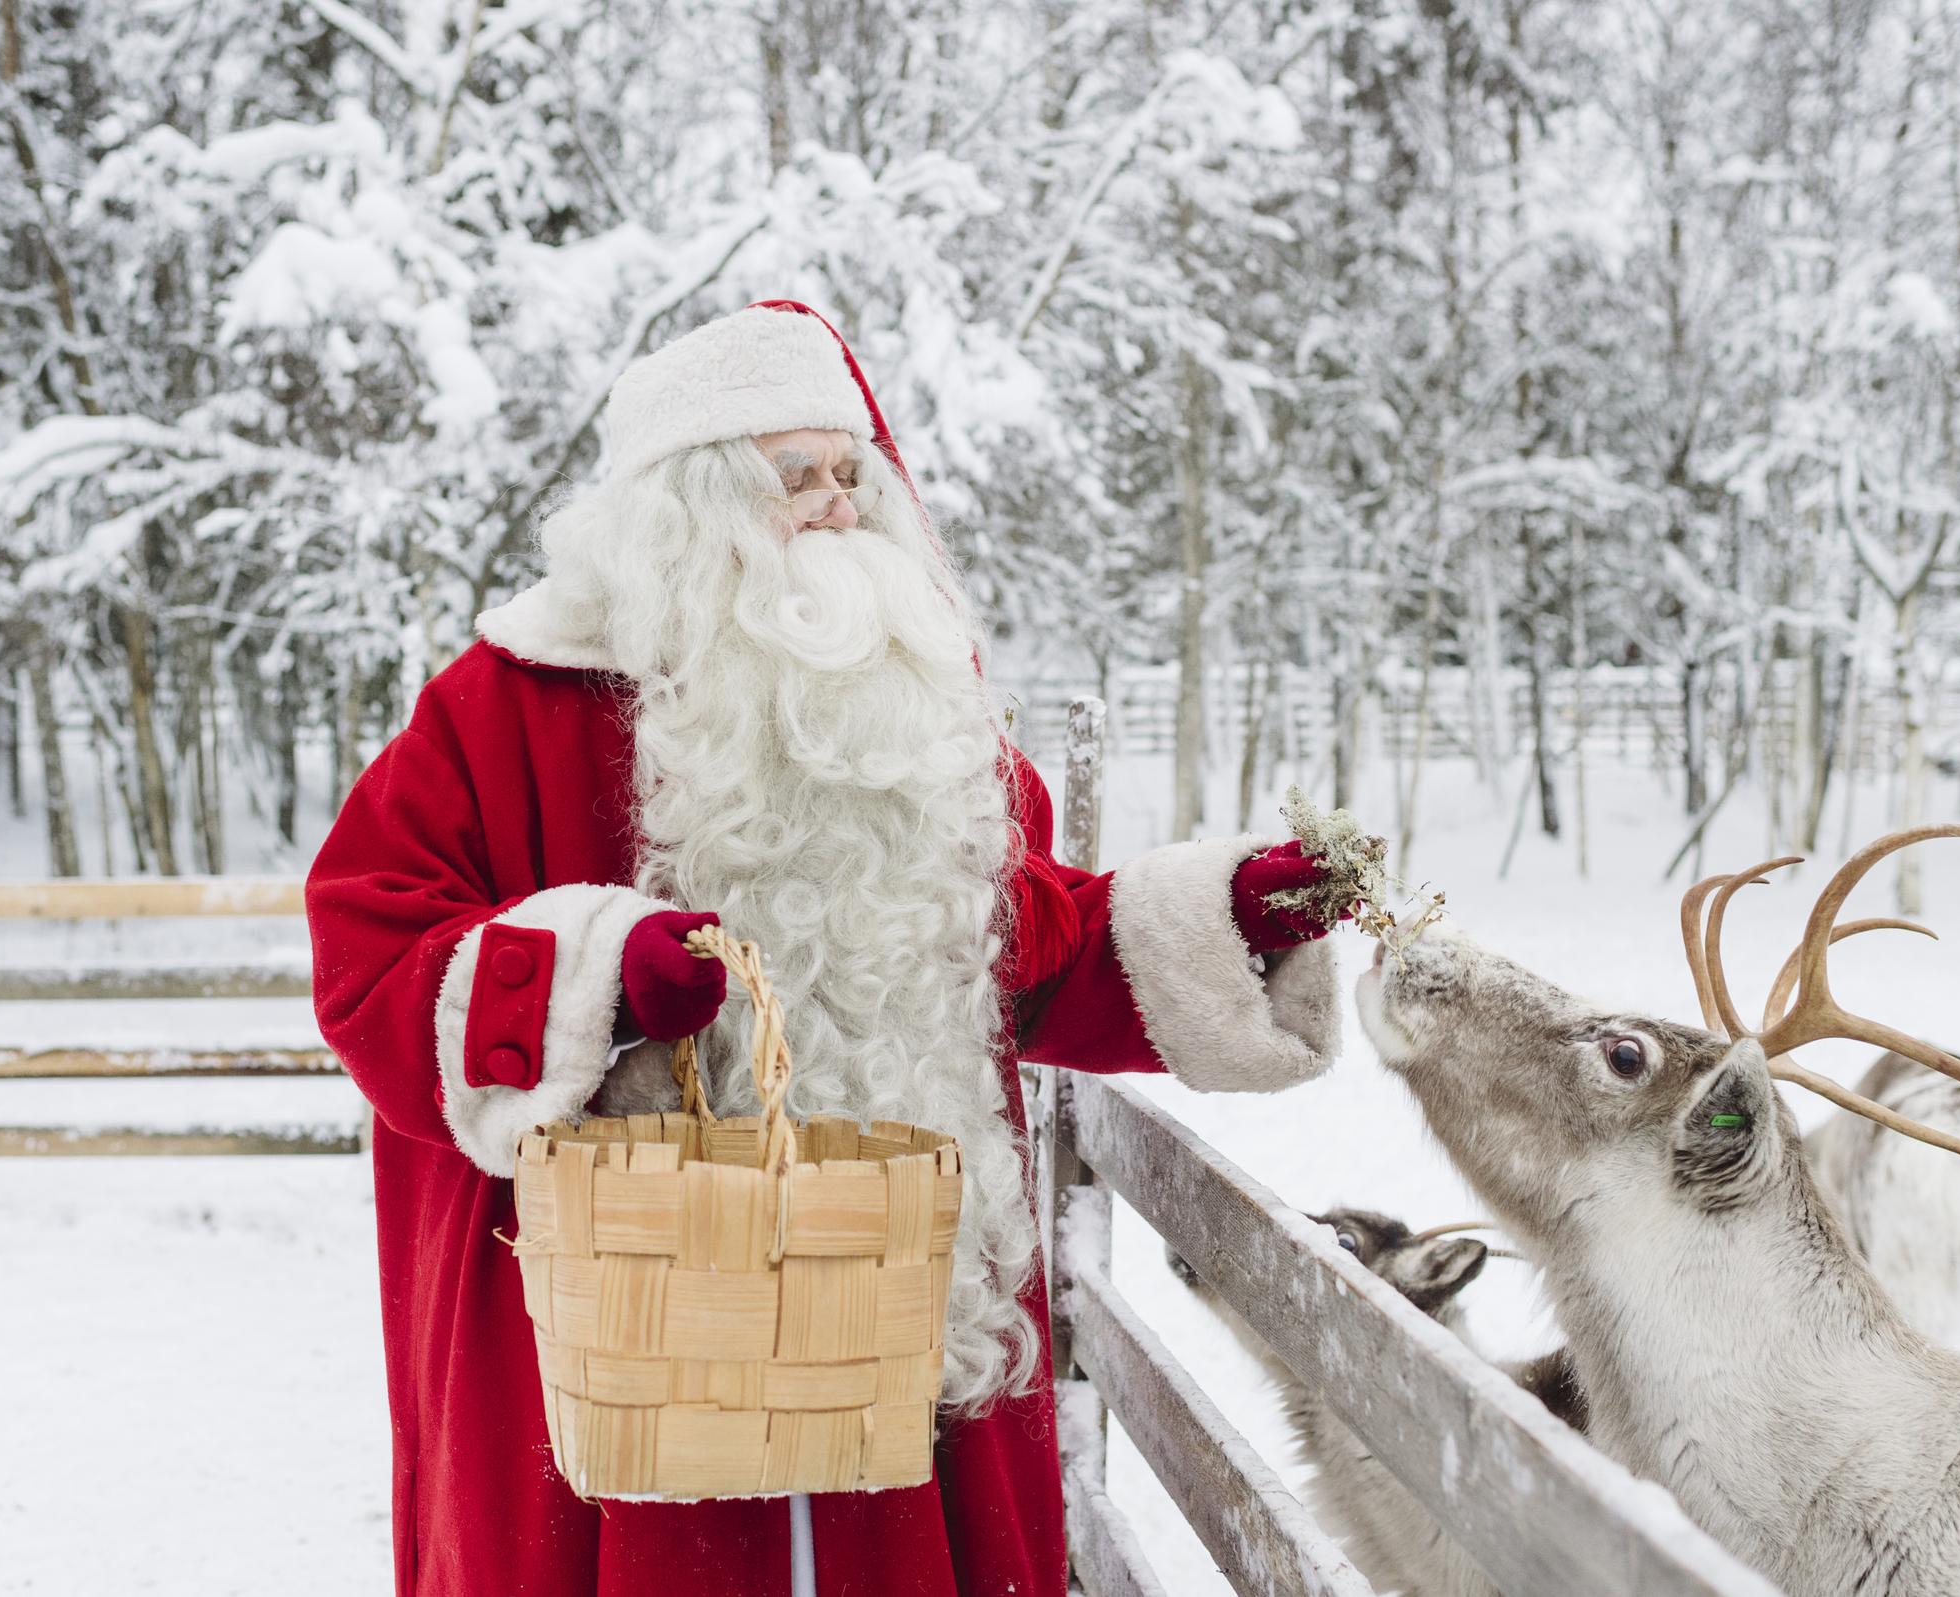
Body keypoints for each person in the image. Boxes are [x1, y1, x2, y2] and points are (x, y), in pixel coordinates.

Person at [305, 299, 1347, 1596]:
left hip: (889, 1347)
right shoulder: (506, 703)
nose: (842, 507)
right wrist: (593, 979)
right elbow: (370, 943)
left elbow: (1018, 950)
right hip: (627, 1365)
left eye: (851, 474)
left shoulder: (912, 708)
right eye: (798, 478)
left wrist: (1230, 921)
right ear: (691, 508)